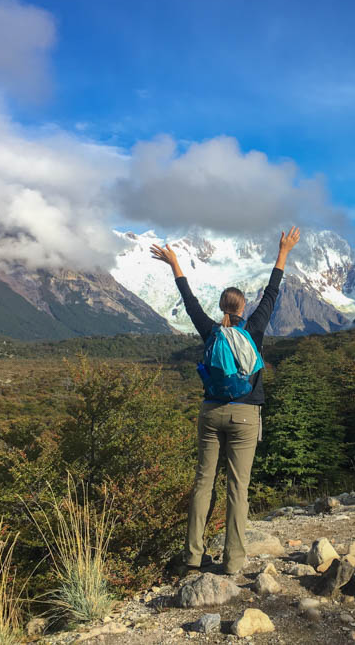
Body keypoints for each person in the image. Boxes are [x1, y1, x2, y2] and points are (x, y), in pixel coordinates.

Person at [150, 227, 300, 575]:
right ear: (243, 308)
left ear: (221, 308)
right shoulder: (255, 329)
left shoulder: (210, 330)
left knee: (203, 482)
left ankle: (192, 556)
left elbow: (189, 302)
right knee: (238, 487)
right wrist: (283, 252)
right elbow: (272, 293)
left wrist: (175, 264)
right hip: (246, 415)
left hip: (210, 412)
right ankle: (233, 562)